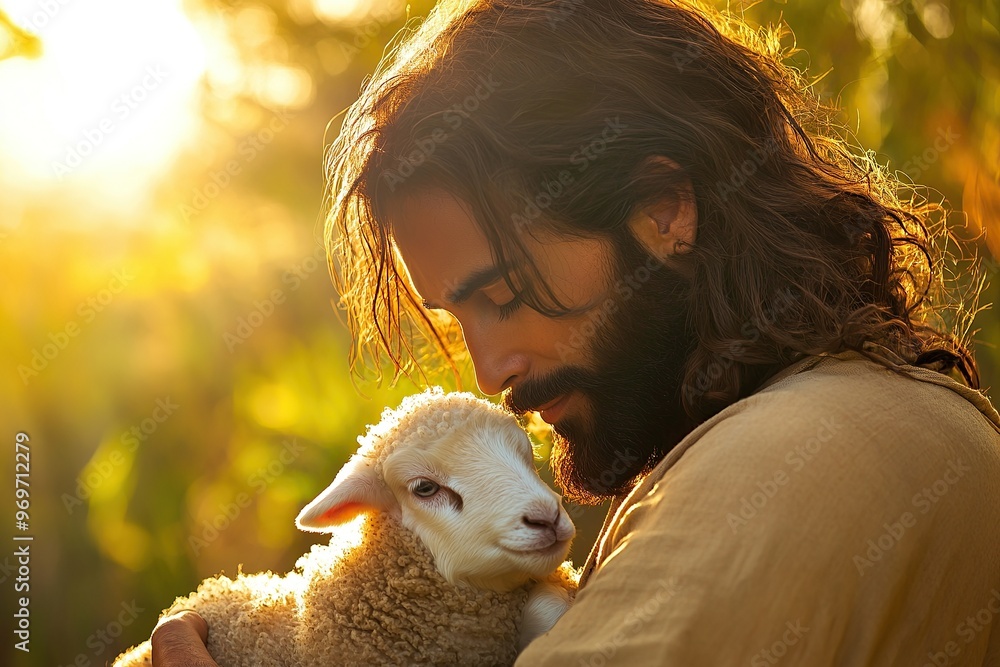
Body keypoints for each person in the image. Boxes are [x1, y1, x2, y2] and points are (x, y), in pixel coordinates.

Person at [151, 0, 1000, 664]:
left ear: (664, 211)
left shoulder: (788, 455)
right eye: (459, 317)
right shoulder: (869, 411)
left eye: (507, 293)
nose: (491, 371)